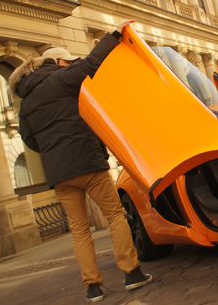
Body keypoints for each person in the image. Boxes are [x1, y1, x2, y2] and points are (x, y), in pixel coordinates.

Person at [8, 20, 151, 303]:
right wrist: (115, 33)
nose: (70, 64)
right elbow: (92, 61)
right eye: (67, 62)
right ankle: (132, 273)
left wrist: (51, 149)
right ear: (59, 62)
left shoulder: (26, 104)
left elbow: (28, 139)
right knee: (115, 216)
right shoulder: (62, 78)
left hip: (59, 173)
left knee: (79, 229)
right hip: (88, 162)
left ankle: (92, 287)